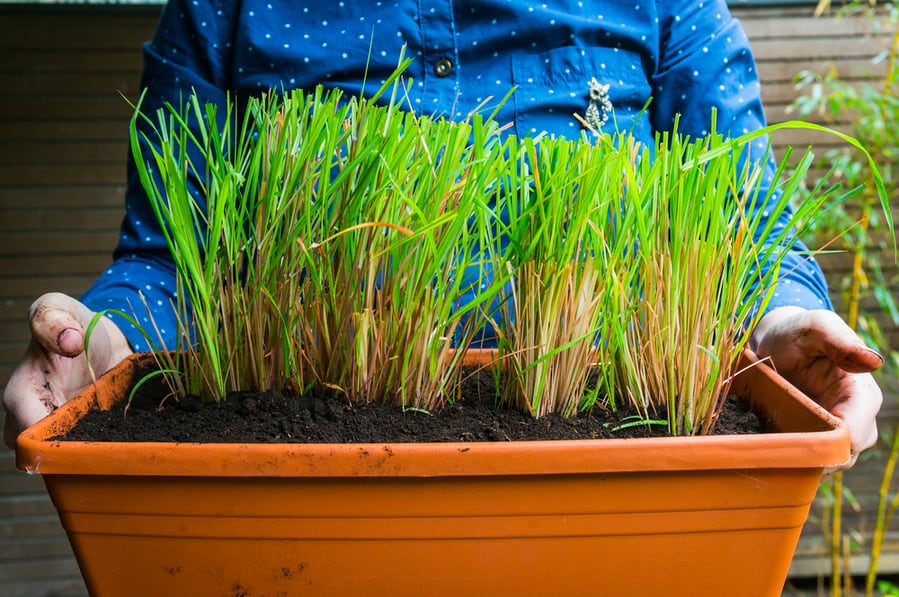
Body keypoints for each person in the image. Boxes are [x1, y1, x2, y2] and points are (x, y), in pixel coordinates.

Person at [3, 0, 885, 468]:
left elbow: (746, 232)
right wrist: (109, 342)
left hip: (604, 470)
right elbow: (165, 256)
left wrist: (780, 321)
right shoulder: (225, 8)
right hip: (308, 490)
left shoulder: (664, 3)